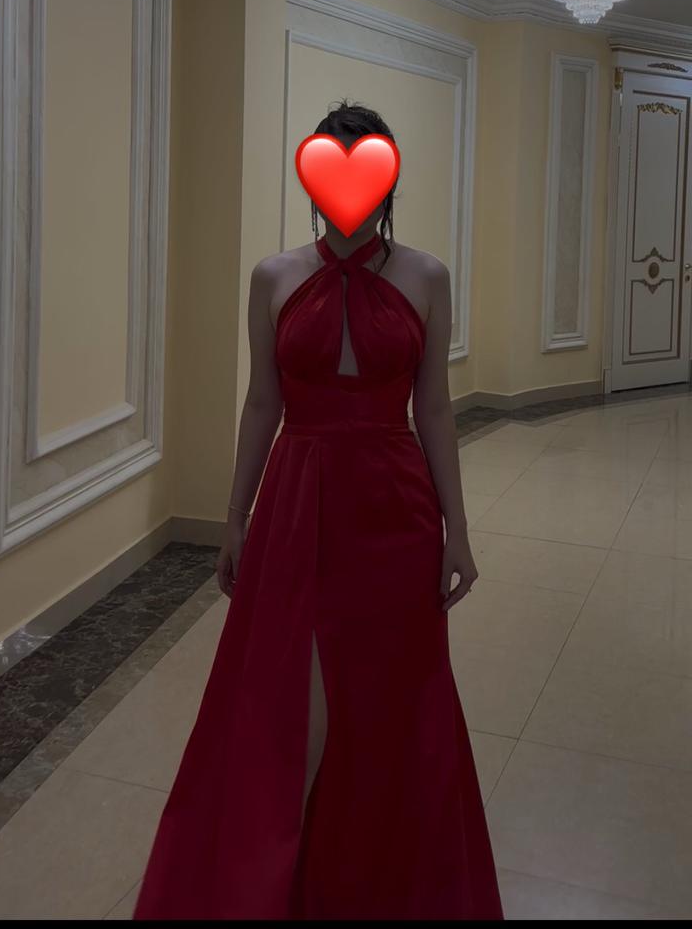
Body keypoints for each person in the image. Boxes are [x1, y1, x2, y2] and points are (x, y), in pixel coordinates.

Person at [133, 100, 504, 921]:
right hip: (296, 502)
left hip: (395, 508)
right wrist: (235, 518)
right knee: (291, 704)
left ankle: (376, 882)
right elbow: (262, 401)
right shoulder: (274, 276)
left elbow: (434, 407)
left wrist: (458, 530)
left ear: (388, 179)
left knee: (391, 704)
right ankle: (281, 876)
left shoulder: (427, 277)